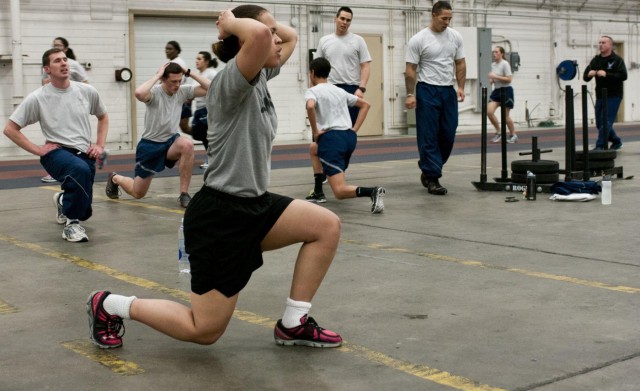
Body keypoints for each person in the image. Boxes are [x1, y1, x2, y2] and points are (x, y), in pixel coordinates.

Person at [87, 5, 342, 350]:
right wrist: (231, 24)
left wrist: (256, 21)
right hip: (219, 218)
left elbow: (290, 35)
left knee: (325, 226)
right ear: (247, 41)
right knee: (204, 330)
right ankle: (108, 304)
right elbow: (264, 36)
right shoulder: (230, 83)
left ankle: (293, 323)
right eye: (268, 33)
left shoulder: (261, 77)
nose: (278, 38)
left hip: (255, 205)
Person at [4, 48, 108, 242]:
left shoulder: (86, 91)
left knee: (85, 206)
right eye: (57, 61)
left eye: (65, 59)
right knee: (79, 171)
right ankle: (71, 225)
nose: (63, 63)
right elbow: (10, 129)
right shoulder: (38, 97)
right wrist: (38, 149)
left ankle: (63, 201)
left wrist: (100, 145)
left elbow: (103, 117)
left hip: (84, 152)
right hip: (56, 152)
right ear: (47, 69)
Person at [105, 62, 210, 208]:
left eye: (180, 81)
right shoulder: (154, 93)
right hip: (150, 145)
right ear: (163, 79)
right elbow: (139, 93)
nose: (177, 85)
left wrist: (189, 72)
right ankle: (115, 178)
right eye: (173, 81)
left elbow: (211, 88)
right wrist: (157, 75)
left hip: (171, 142)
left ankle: (184, 194)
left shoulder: (182, 91)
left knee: (187, 145)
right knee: (138, 192)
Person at [306, 6, 371, 203]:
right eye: (342, 18)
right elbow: (317, 66)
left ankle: (336, 174)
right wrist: (312, 89)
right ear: (336, 19)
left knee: (345, 135)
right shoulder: (325, 41)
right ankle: (321, 182)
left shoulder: (357, 41)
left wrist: (362, 87)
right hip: (328, 88)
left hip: (349, 89)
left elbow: (365, 65)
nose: (344, 22)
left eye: (348, 20)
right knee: (319, 140)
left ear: (351, 22)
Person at [305, 57, 384, 213]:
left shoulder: (312, 91)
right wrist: (354, 130)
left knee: (339, 191)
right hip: (349, 138)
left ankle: (372, 192)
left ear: (312, 73)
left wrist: (315, 131)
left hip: (332, 139)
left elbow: (310, 106)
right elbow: (365, 105)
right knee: (314, 148)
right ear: (328, 74)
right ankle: (318, 191)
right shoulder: (339, 90)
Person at [405, 1, 465, 196]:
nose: (447, 22)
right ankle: (433, 178)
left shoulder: (455, 37)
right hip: (427, 90)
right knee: (428, 134)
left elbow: (460, 63)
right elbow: (410, 69)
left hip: (448, 91)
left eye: (449, 19)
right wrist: (410, 94)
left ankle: (429, 165)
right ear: (433, 15)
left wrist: (461, 87)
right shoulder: (418, 39)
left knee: (448, 133)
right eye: (444, 18)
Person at [41, 37, 90, 183]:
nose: (56, 47)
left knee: (72, 136)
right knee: (53, 137)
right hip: (54, 105)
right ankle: (54, 170)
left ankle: (90, 156)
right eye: (54, 45)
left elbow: (86, 83)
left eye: (59, 45)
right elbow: (44, 82)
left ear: (66, 49)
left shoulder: (74, 65)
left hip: (72, 105)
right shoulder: (48, 65)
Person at [583, 35, 627, 150]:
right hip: (600, 95)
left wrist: (607, 74)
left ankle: (600, 146)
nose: (601, 45)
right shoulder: (596, 60)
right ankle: (616, 141)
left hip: (614, 95)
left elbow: (623, 75)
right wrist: (589, 74)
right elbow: (585, 77)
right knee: (599, 123)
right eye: (600, 42)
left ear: (610, 45)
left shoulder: (617, 60)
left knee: (606, 121)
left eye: (604, 43)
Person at [182, 51, 219, 169]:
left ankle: (212, 159)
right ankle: (215, 154)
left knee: (205, 134)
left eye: (199, 59)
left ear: (206, 61)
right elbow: (194, 90)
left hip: (208, 109)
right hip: (198, 109)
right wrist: (190, 99)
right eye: (196, 59)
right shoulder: (198, 74)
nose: (196, 61)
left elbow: (218, 88)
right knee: (198, 134)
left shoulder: (212, 73)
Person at [488, 46, 517, 144]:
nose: (494, 54)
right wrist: (491, 80)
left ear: (502, 54)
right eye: (493, 52)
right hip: (496, 91)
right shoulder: (493, 65)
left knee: (505, 116)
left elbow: (509, 79)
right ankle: (499, 132)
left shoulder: (505, 64)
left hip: (506, 91)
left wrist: (495, 76)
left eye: (496, 52)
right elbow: (494, 79)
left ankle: (513, 135)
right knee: (489, 111)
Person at [165, 40, 193, 134]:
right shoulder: (173, 62)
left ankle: (205, 136)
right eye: (166, 49)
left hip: (181, 98)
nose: (167, 51)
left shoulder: (177, 63)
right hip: (177, 98)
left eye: (170, 49)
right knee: (173, 125)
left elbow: (180, 81)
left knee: (184, 127)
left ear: (177, 50)